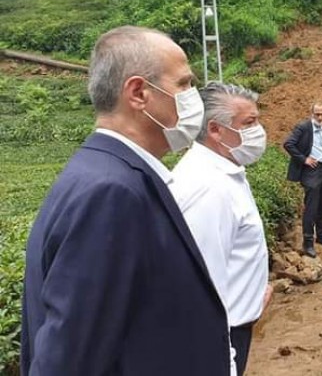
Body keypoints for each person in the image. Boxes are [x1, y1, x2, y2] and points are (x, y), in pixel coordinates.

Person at [21, 26, 231, 375]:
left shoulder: (104, 172)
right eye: (184, 84)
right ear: (138, 93)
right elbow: (68, 362)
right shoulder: (111, 193)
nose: (193, 96)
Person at [171, 82, 273, 376]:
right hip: (221, 338)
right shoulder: (208, 189)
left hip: (233, 327)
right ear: (215, 130)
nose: (258, 131)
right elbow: (198, 290)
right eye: (249, 123)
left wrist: (254, 292)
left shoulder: (225, 171)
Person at [284, 102, 322, 258]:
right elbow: (288, 144)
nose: (320, 117)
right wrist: (304, 159)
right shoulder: (303, 127)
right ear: (312, 113)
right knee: (311, 207)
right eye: (317, 114)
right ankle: (308, 242)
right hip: (311, 171)